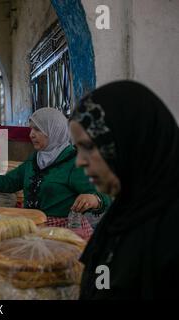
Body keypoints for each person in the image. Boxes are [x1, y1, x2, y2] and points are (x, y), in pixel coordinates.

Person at [69, 81, 179, 299]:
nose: (79, 162)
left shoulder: (170, 231)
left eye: (89, 147)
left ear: (131, 139)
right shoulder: (123, 214)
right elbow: (101, 281)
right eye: (78, 149)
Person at [0, 108, 111, 239]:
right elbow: (8, 183)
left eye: (38, 130)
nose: (31, 134)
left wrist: (94, 199)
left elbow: (105, 195)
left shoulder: (74, 163)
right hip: (32, 229)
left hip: (62, 234)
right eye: (31, 128)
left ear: (54, 131)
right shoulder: (35, 160)